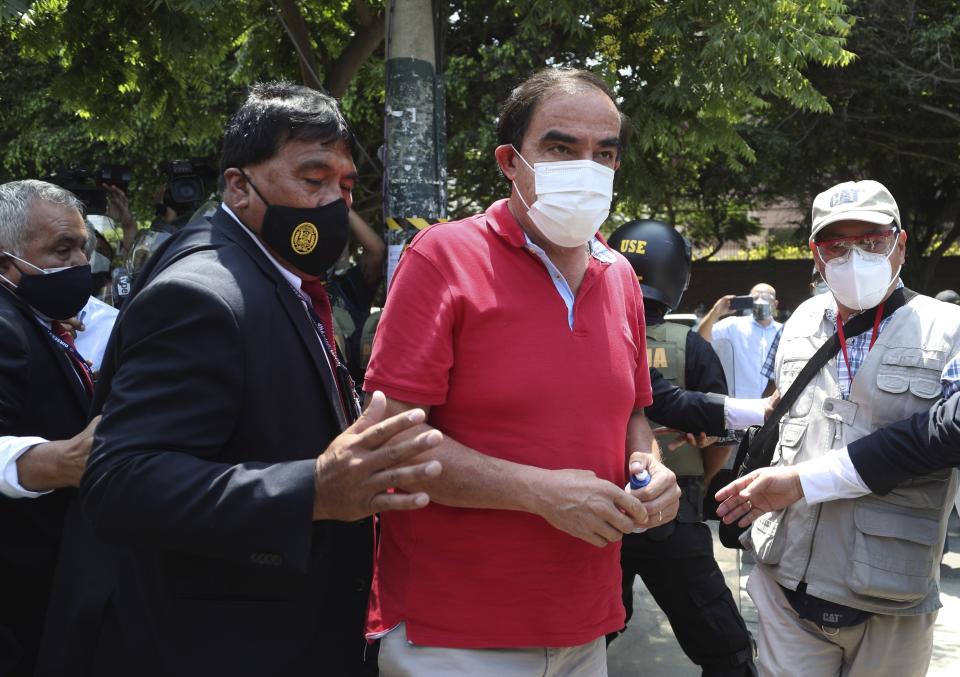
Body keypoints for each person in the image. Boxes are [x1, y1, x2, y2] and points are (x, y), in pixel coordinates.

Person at [72, 81, 443, 677]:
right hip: (226, 644)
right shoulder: (201, 295)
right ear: (239, 186)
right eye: (313, 178)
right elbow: (118, 482)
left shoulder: (277, 274)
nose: (332, 205)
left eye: (345, 187)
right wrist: (312, 491)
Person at [362, 67, 681, 676]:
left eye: (604, 153)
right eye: (561, 148)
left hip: (587, 626)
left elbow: (633, 413)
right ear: (510, 161)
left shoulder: (621, 280)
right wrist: (538, 492)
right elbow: (390, 445)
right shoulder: (442, 258)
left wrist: (652, 467)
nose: (586, 167)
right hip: (454, 634)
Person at [715, 179, 960, 676]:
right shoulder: (801, 321)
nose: (855, 258)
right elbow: (777, 409)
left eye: (871, 242)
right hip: (786, 587)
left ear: (901, 242)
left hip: (890, 598)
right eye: (837, 246)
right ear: (815, 254)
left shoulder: (948, 329)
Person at [606, 219, 756, 676]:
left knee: (586, 633)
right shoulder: (691, 346)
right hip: (675, 515)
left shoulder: (588, 338)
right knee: (723, 643)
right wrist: (699, 484)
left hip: (596, 509)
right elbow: (719, 440)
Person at [0, 179, 100, 676]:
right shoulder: (5, 329)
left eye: (83, 246)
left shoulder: (41, 319)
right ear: (6, 263)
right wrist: (53, 464)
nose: (82, 263)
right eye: (62, 249)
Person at [698, 283, 782, 398]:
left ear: (775, 304)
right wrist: (715, 312)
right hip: (739, 405)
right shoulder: (733, 325)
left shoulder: (783, 332)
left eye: (766, 298)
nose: (760, 301)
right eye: (755, 298)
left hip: (771, 405)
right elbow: (701, 339)